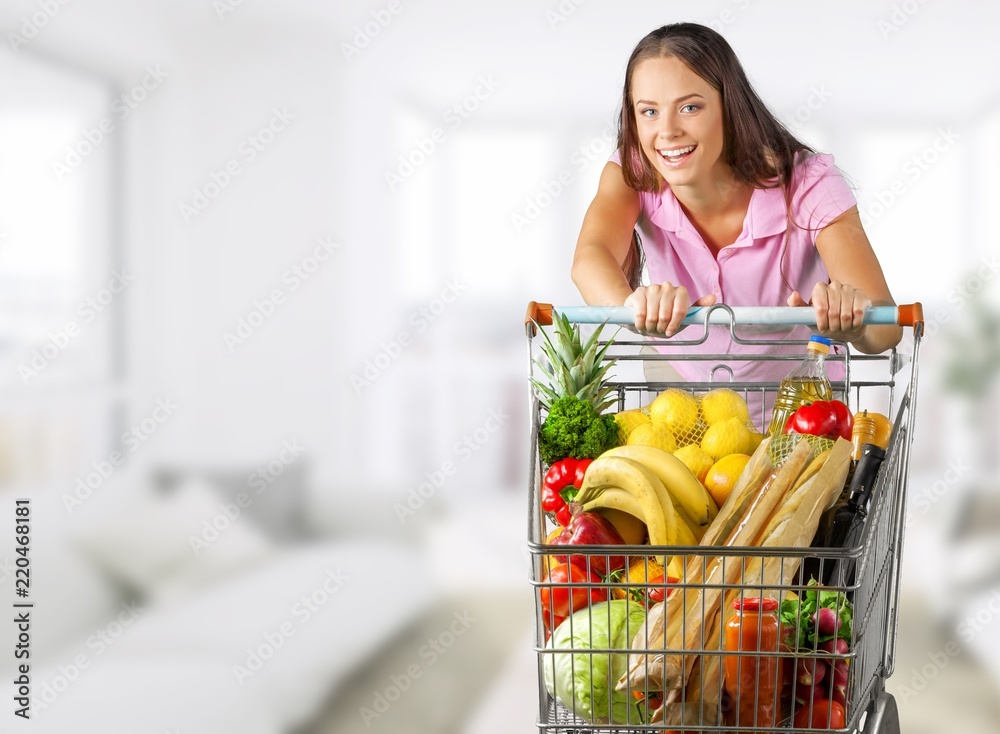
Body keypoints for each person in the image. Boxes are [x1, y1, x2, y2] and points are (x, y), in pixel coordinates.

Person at [571, 23, 902, 386]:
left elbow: (885, 327)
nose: (666, 131)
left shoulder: (807, 182)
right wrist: (630, 306)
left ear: (729, 107)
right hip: (679, 385)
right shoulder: (632, 172)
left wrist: (853, 320)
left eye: (690, 107)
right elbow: (591, 256)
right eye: (649, 111)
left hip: (799, 394)